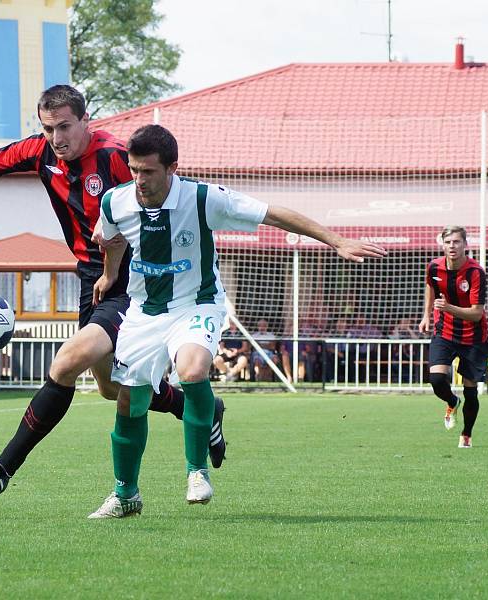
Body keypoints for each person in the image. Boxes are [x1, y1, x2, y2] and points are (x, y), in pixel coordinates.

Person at [0, 85, 226, 501]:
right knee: (109, 388)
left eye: (65, 126)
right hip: (93, 278)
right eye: (49, 128)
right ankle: (202, 409)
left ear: (86, 121)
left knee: (66, 363)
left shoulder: (116, 157)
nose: (57, 138)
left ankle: (1, 469)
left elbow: (171, 192)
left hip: (135, 283)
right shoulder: (38, 152)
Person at [87, 124, 386, 518]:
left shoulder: (204, 197)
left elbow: (273, 214)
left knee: (192, 371)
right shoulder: (115, 201)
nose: (139, 179)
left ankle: (196, 473)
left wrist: (336, 241)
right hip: (144, 311)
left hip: (197, 304)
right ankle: (126, 496)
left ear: (172, 168)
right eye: (134, 169)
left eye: (148, 171)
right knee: (129, 400)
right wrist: (110, 275)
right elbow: (111, 237)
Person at [419, 226, 487, 449]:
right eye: (448, 242)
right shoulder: (434, 267)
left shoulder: (476, 273)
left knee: (471, 391)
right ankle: (451, 401)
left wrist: (447, 307)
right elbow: (431, 286)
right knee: (437, 380)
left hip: (473, 336)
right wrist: (426, 316)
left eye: (457, 242)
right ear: (443, 244)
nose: (452, 246)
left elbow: (477, 313)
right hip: (444, 331)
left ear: (465, 244)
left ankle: (466, 434)